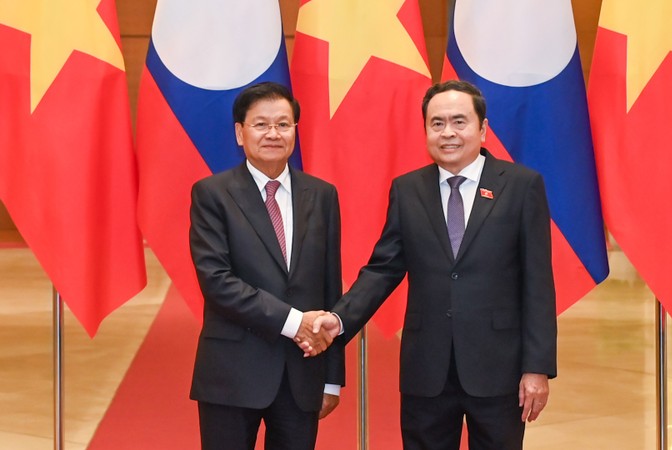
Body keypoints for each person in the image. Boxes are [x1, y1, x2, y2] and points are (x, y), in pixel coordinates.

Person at [309, 80, 557, 450]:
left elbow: (538, 283)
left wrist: (536, 367)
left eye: (459, 121)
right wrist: (340, 318)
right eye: (437, 123)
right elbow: (384, 268)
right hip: (427, 369)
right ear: (425, 130)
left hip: (498, 369)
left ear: (482, 128)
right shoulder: (408, 190)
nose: (448, 133)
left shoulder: (521, 186)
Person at [188, 81, 344, 450]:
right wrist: (296, 322)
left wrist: (331, 378)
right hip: (231, 371)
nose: (273, 133)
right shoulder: (212, 194)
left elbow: (329, 286)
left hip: (302, 373)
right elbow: (217, 281)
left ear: (294, 131)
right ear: (240, 133)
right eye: (261, 125)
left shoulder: (322, 195)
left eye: (283, 124)